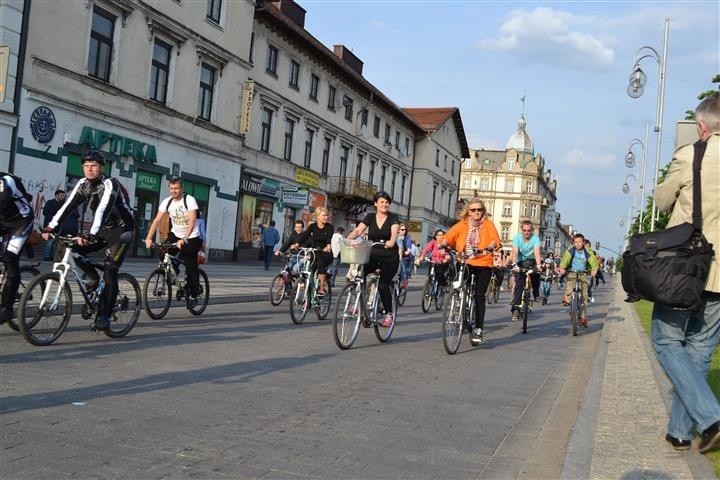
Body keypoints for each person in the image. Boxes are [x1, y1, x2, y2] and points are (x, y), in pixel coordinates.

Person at [651, 92, 720, 454]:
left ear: (703, 126)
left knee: (666, 342)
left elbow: (661, 201)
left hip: (684, 270)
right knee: (699, 351)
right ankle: (680, 431)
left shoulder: (692, 154)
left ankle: (710, 418)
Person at [46, 150, 135, 331]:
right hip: (102, 230)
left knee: (110, 270)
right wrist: (51, 226)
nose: (89, 169)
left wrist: (90, 234)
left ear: (101, 167)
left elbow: (103, 209)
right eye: (86, 166)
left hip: (122, 230)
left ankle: (104, 316)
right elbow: (68, 206)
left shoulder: (110, 184)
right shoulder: (82, 184)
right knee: (75, 250)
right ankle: (94, 280)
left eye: (93, 166)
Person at [442, 197, 501, 345]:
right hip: (465, 261)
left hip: (483, 263)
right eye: (473, 210)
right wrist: (443, 243)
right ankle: (458, 302)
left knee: (479, 296)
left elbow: (495, 240)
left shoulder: (488, 224)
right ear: (468, 211)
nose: (476, 213)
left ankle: (479, 328)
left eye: (479, 210)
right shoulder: (462, 224)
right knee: (459, 284)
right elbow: (449, 236)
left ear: (483, 211)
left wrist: (489, 247)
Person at [144, 177, 203, 306]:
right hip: (175, 234)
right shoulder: (167, 202)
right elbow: (157, 220)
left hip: (192, 236)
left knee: (190, 263)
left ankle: (194, 295)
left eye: (176, 188)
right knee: (162, 252)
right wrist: (149, 238)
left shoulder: (189, 200)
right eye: (171, 188)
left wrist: (185, 239)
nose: (174, 191)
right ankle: (173, 273)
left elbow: (192, 221)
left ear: (182, 188)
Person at [347, 191, 400, 328]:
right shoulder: (370, 217)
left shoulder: (393, 217)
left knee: (383, 285)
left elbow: (394, 232)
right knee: (360, 274)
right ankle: (359, 303)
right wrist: (348, 239)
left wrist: (391, 242)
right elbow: (359, 230)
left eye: (387, 202)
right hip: (374, 254)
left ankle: (389, 314)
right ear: (376, 204)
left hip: (390, 256)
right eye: (382, 202)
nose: (384, 204)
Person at [0, 172, 35, 325]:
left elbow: (2, 200)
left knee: (9, 258)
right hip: (3, 220)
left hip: (22, 221)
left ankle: (7, 309)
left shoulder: (5, 181)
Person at [557, 233, 598, 327]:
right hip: (572, 271)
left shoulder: (587, 251)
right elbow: (565, 259)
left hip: (583, 273)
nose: (578, 244)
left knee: (584, 295)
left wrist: (594, 269)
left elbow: (593, 260)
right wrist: (562, 267)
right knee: (570, 284)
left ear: (583, 242)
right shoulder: (571, 250)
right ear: (573, 243)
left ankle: (583, 318)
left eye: (580, 242)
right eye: (576, 242)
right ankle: (567, 299)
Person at [292, 206, 334, 297]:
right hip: (314, 252)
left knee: (320, 263)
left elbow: (328, 238)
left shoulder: (330, 227)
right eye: (323, 215)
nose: (326, 217)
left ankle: (321, 288)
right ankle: (309, 298)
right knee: (310, 269)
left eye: (327, 215)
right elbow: (305, 236)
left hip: (325, 253)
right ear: (317, 216)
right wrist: (297, 243)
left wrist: (328, 246)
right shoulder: (312, 226)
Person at [509, 220, 542, 321]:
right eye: (524, 230)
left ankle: (536, 293)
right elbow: (515, 251)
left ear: (531, 230)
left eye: (528, 230)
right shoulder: (517, 238)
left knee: (536, 274)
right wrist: (514, 265)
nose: (526, 232)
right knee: (519, 285)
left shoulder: (535, 238)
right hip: (519, 262)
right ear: (521, 230)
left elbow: (536, 252)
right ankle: (516, 309)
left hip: (532, 261)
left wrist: (539, 265)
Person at [42, 189, 80, 261]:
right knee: (50, 242)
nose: (63, 197)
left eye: (63, 195)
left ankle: (52, 256)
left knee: (55, 242)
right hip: (51, 225)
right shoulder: (50, 202)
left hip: (60, 226)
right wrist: (52, 221)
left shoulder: (64, 204)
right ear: (56, 195)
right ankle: (46, 256)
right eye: (61, 195)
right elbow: (45, 213)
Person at [397, 224, 414, 288]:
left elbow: (408, 243)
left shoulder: (407, 237)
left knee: (403, 267)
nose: (404, 231)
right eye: (402, 229)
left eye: (405, 230)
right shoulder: (396, 236)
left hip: (405, 256)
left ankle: (404, 281)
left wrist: (408, 251)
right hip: (396, 255)